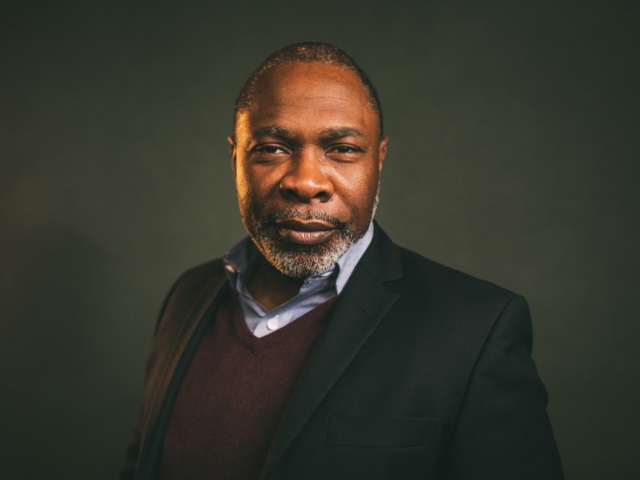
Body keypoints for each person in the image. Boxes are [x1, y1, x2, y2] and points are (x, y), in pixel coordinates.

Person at [121, 42, 563, 480]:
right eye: (272, 148)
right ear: (236, 156)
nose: (306, 181)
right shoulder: (188, 297)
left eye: (343, 149)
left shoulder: (476, 330)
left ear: (379, 160)